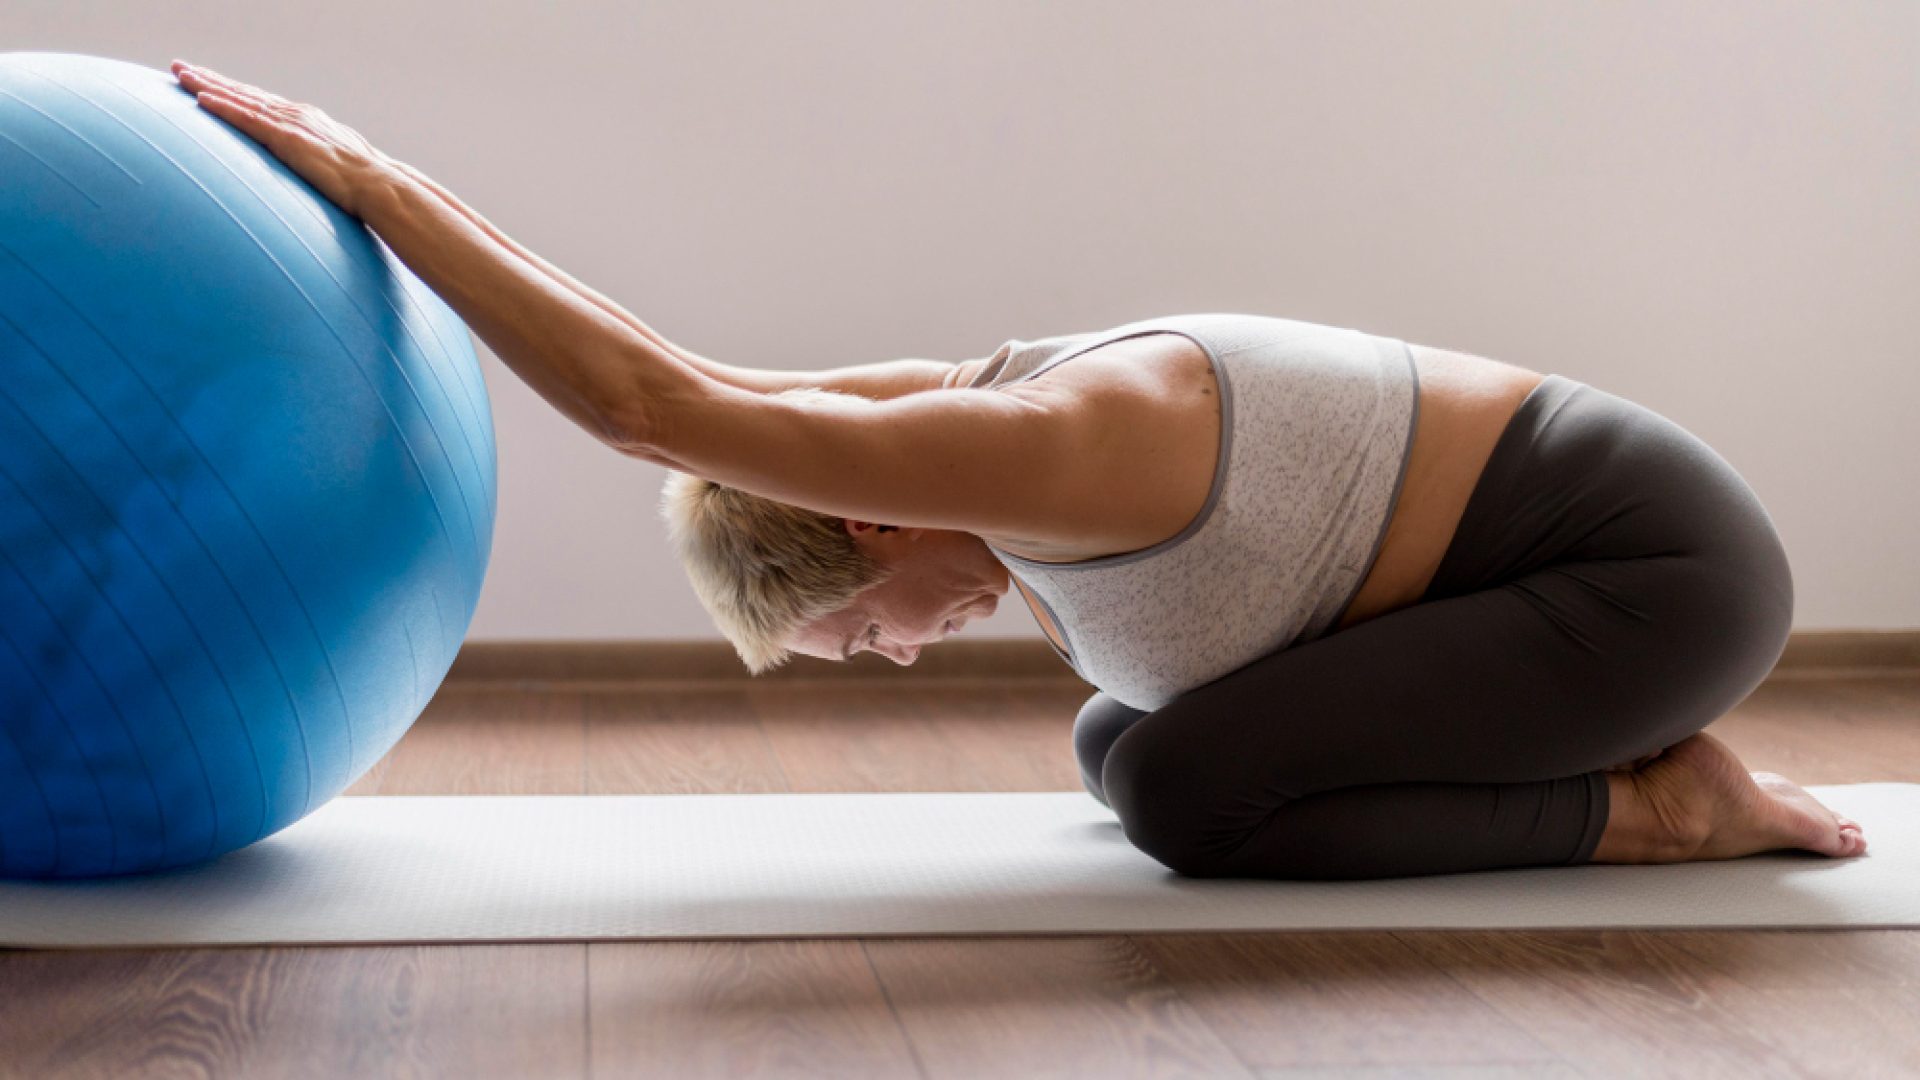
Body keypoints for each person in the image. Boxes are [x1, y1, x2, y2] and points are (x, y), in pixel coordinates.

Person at [171, 61, 1868, 880]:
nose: (901, 657)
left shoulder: (1033, 445)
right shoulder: (960, 451)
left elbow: (644, 399)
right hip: (1562, 582)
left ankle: (1657, 804)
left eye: (864, 634)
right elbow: (696, 384)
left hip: (1649, 581)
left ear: (867, 516)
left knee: (1193, 798)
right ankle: (1618, 756)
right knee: (1119, 736)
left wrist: (376, 184)